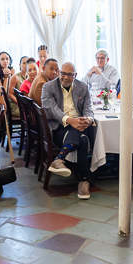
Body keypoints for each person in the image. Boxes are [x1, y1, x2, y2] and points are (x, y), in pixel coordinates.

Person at [43, 62, 95, 200]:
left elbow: (88, 107)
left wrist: (88, 119)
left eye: (69, 74)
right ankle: (84, 180)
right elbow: (52, 110)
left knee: (82, 137)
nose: (65, 77)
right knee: (82, 138)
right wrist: (70, 121)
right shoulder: (48, 87)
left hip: (79, 124)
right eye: (63, 73)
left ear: (75, 75)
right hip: (58, 128)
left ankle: (59, 159)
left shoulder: (83, 87)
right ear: (59, 72)